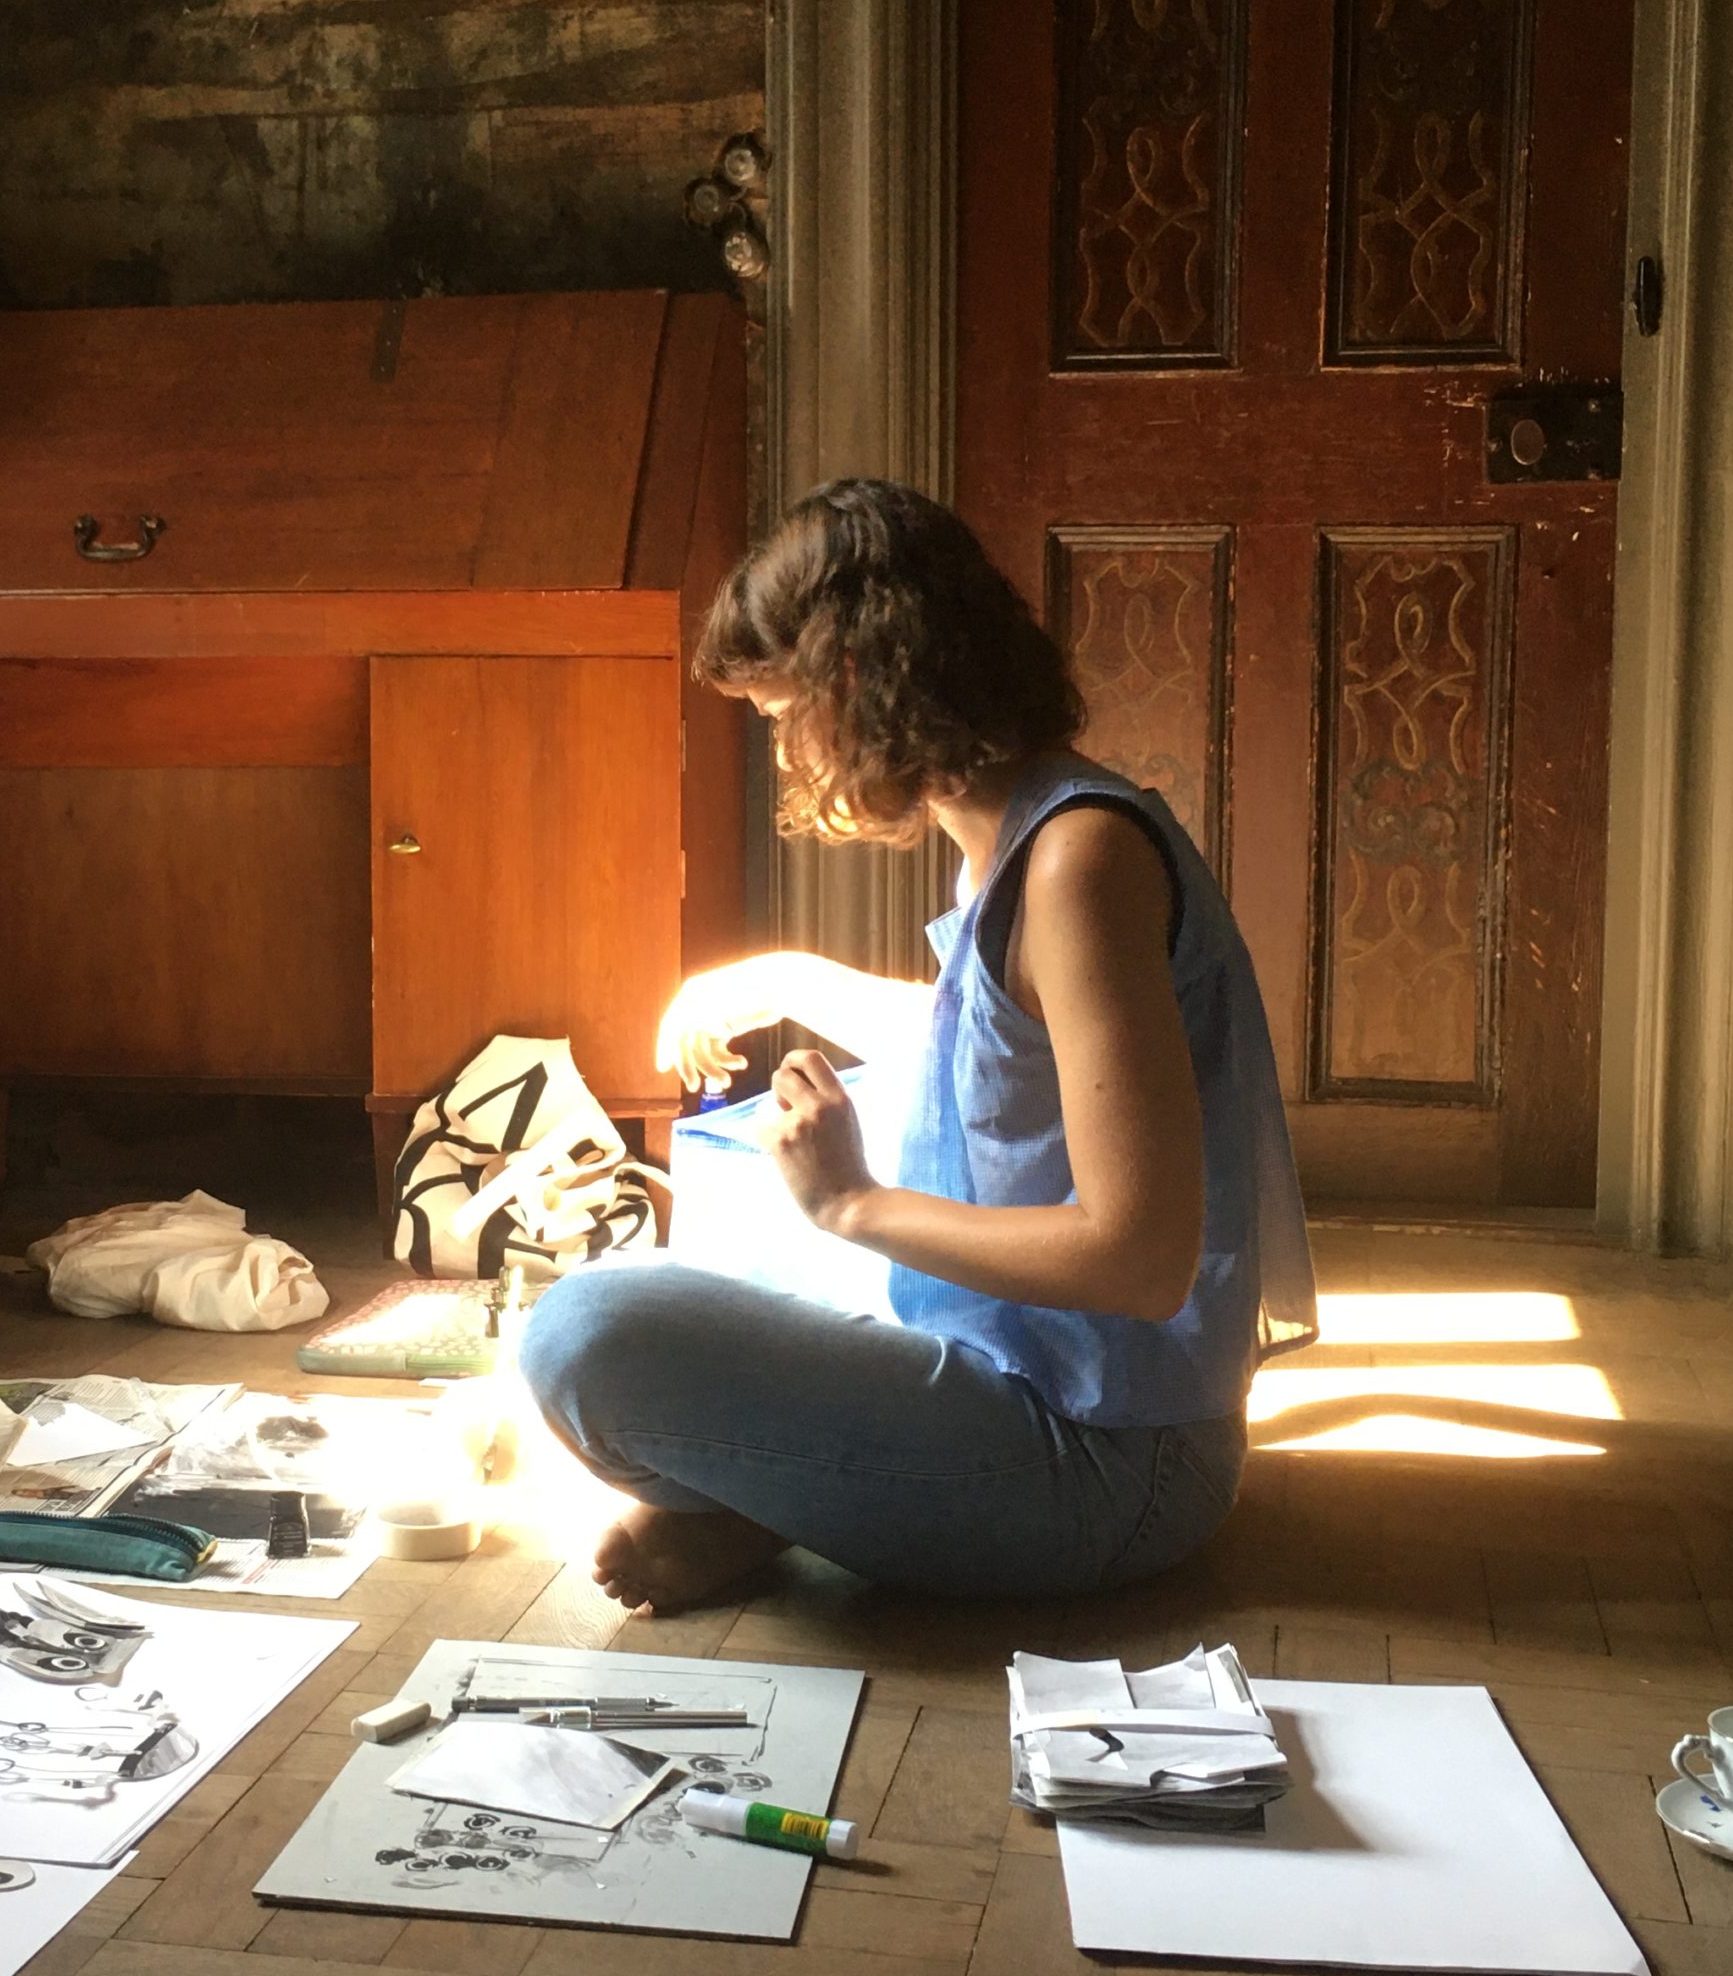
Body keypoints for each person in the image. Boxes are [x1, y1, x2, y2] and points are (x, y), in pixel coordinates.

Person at [520, 480, 1315, 1614]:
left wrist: (850, 1205)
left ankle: (770, 1500)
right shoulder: (1026, 829)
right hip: (1027, 1391)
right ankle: (784, 1500)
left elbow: (1140, 1258)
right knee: (741, 1203)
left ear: (859, 682)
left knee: (580, 1333)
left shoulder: (1076, 861)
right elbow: (1003, 1056)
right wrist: (784, 980)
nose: (790, 756)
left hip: (1106, 1462)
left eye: (785, 718)